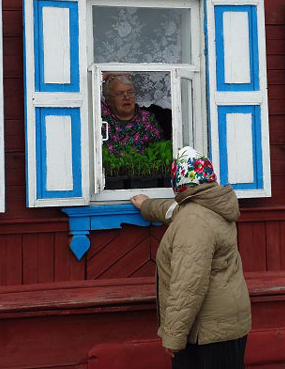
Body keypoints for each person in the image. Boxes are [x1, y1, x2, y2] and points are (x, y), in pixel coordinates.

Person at [130, 146, 251, 369]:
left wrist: (174, 336)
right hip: (223, 324)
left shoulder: (194, 221)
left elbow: (188, 284)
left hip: (208, 332)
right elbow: (174, 210)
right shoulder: (210, 205)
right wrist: (147, 205)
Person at [102, 73, 163, 154]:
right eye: (120, 93)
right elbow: (87, 90)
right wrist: (108, 73)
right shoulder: (103, 116)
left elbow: (160, 152)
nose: (127, 97)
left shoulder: (147, 119)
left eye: (130, 92)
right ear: (108, 100)